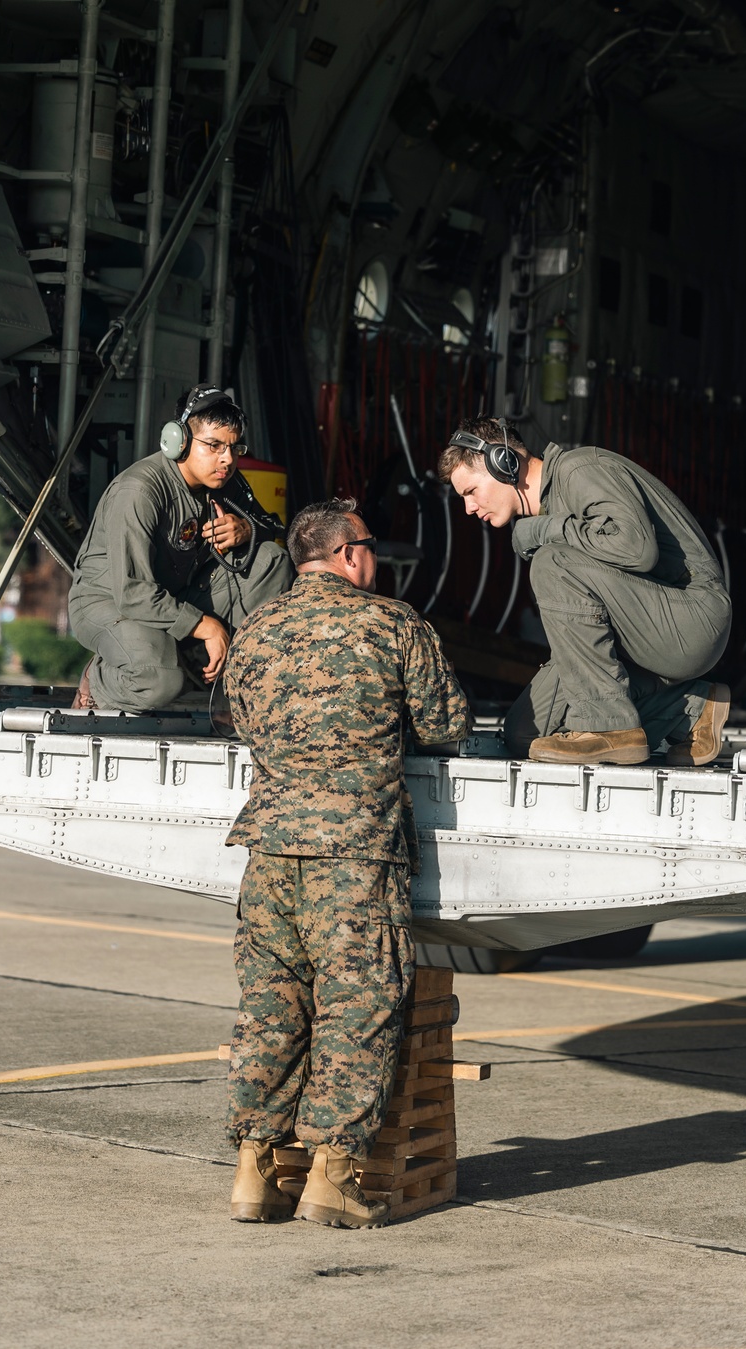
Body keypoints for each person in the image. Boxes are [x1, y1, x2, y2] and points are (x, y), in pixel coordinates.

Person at [223, 497, 470, 1230]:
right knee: (355, 1008)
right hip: (356, 854)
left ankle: (254, 1168)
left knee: (270, 1008)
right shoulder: (393, 623)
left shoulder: (258, 627)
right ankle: (333, 1174)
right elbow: (446, 725)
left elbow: (235, 716)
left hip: (269, 852)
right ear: (350, 553)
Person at [438, 419, 732, 766]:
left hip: (691, 618)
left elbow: (636, 548)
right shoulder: (555, 500)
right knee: (525, 733)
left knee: (551, 563)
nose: (469, 508)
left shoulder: (580, 468)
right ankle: (692, 708)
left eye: (471, 491)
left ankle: (609, 728)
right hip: (643, 632)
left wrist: (545, 529)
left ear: (504, 462)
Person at [68, 385, 293, 711]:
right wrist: (205, 625)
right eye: (214, 445)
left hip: (175, 593)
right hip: (111, 603)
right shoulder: (139, 491)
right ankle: (98, 678)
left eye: (233, 447)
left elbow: (273, 528)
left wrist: (246, 529)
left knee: (272, 561)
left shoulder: (225, 481)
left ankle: (226, 676)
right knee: (158, 681)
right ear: (179, 441)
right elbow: (132, 592)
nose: (227, 459)